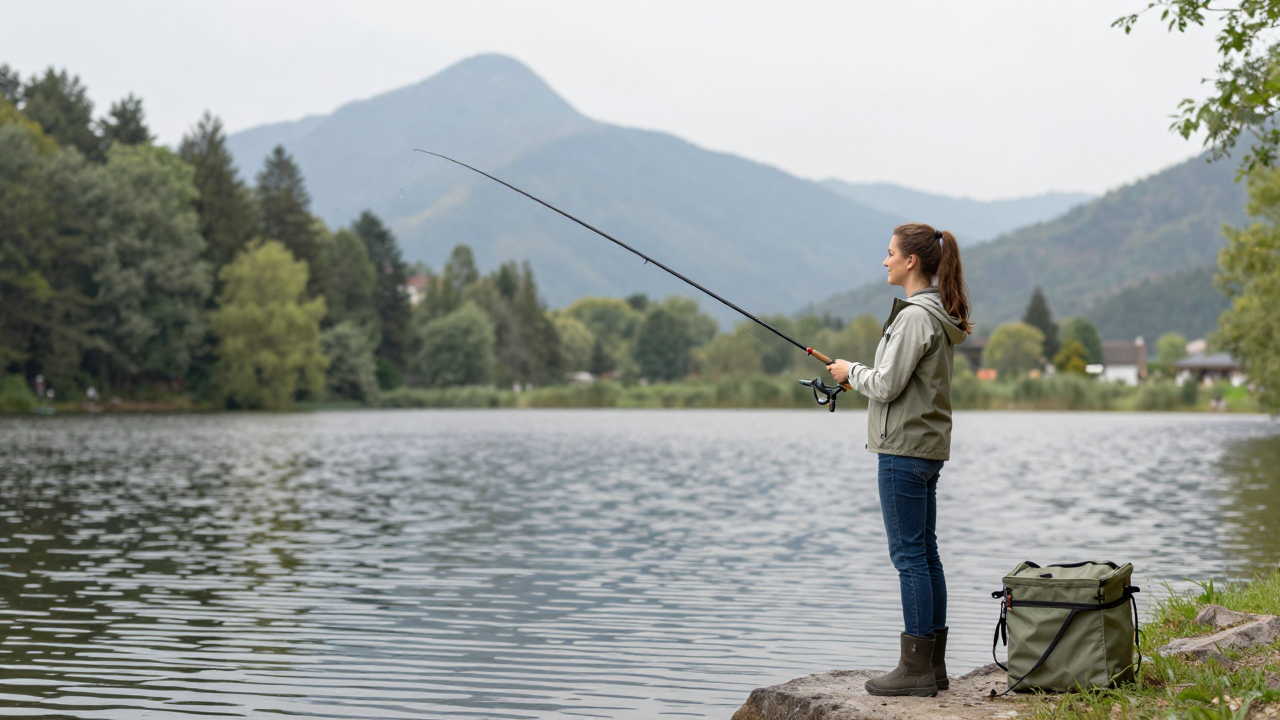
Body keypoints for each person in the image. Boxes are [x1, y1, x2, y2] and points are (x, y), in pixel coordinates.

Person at [826, 223, 971, 697]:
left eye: (889, 253)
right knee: (925, 555)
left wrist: (853, 371)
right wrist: (859, 377)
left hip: (902, 451)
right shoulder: (935, 314)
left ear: (911, 261)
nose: (884, 260)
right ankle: (934, 667)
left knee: (909, 557)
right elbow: (897, 381)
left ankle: (915, 671)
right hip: (923, 449)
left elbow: (886, 385)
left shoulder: (914, 317)